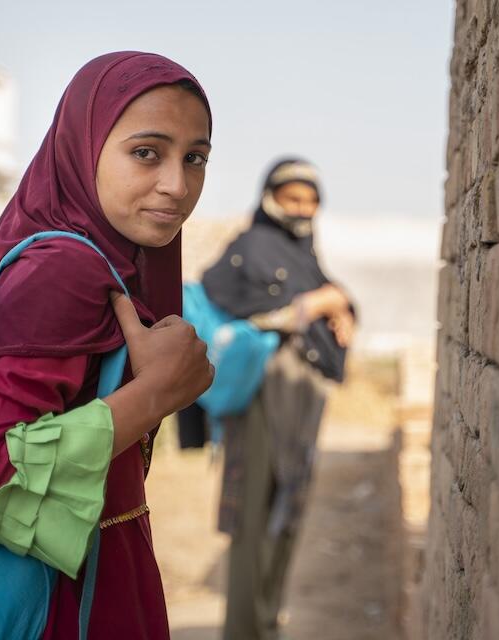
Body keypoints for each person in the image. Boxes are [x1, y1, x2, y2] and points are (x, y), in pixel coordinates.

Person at [0, 51, 215, 639]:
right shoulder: (64, 270)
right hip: (58, 606)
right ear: (83, 147)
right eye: (147, 153)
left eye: (195, 158)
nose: (177, 184)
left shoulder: (112, 262)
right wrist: (158, 392)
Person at [202, 158, 355, 640]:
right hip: (263, 391)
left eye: (310, 201)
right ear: (270, 198)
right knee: (253, 512)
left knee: (290, 507)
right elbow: (230, 310)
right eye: (292, 199)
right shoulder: (249, 248)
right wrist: (314, 306)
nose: (302, 209)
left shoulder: (303, 253)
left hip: (303, 396)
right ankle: (244, 630)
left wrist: (341, 306)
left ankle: (267, 624)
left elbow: (329, 296)